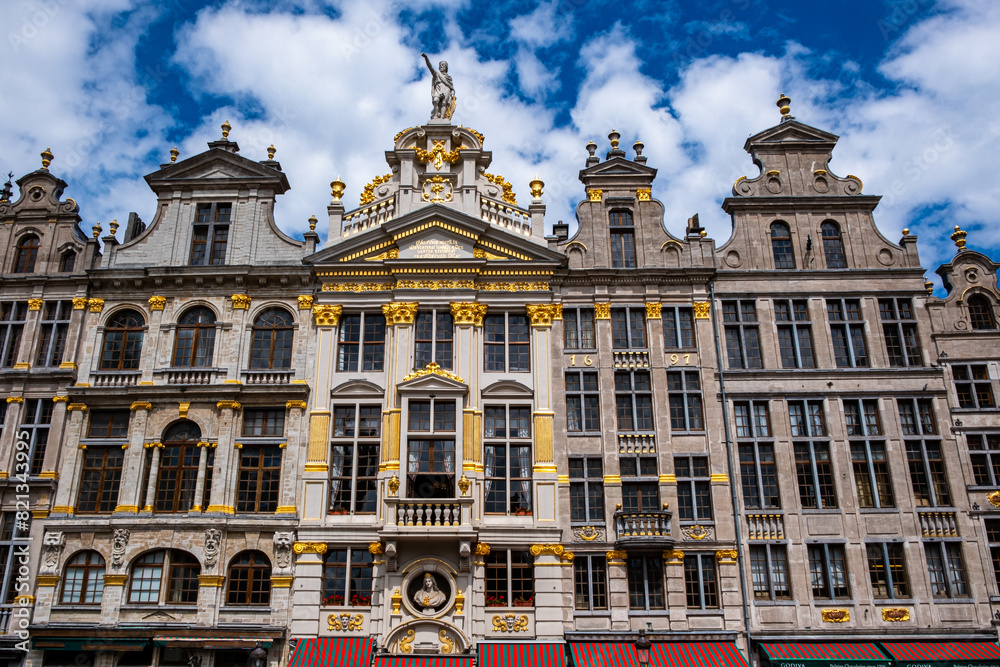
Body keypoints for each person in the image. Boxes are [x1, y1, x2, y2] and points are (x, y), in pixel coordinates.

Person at [422, 53, 455, 119]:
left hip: (446, 89)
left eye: (443, 65)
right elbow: (430, 68)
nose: (441, 66)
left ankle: (442, 117)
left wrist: (452, 93)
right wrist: (426, 58)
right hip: (438, 89)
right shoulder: (437, 74)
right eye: (440, 65)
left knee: (444, 103)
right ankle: (435, 115)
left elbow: (451, 87)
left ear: (446, 67)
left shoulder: (449, 77)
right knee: (435, 100)